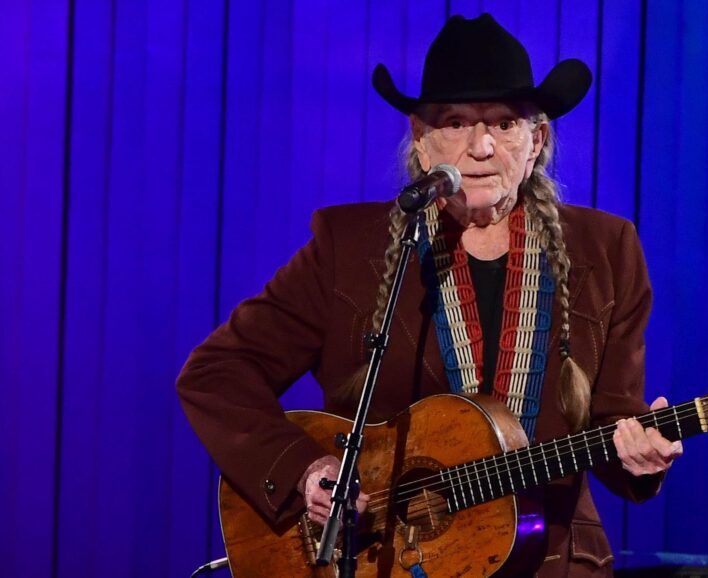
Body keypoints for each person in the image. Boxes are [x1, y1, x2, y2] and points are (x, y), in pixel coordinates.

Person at [177, 13, 682, 577]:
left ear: (536, 141)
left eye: (505, 123)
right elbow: (217, 372)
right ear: (421, 141)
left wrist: (641, 453)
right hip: (379, 559)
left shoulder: (607, 250)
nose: (482, 146)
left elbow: (613, 428)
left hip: (550, 560)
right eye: (456, 122)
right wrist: (304, 468)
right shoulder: (348, 247)